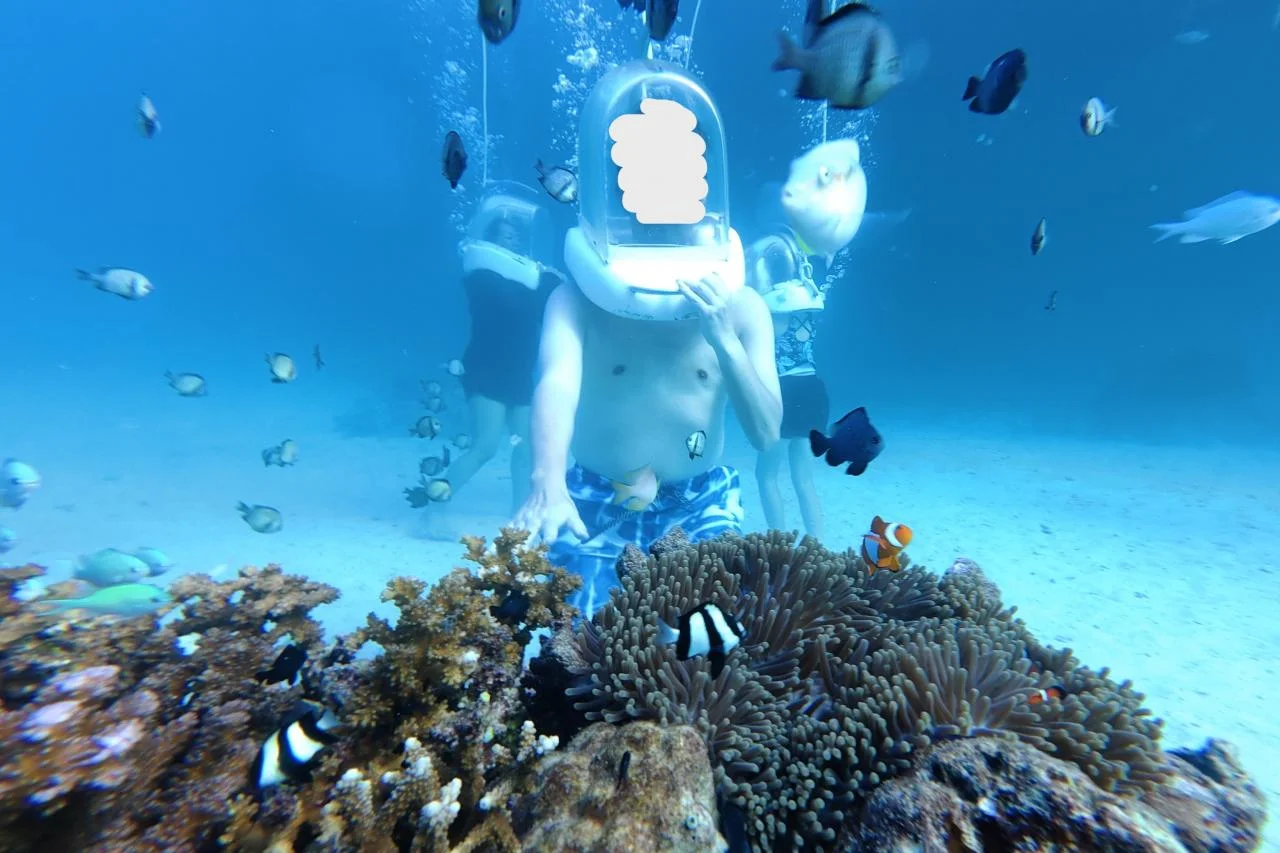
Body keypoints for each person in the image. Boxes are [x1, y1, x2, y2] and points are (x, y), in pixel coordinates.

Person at [510, 60, 783, 616]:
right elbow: (556, 384)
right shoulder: (574, 301)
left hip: (700, 495)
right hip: (590, 491)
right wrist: (548, 484)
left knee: (707, 647)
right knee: (577, 646)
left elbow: (767, 432)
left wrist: (724, 341)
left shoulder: (746, 307)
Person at [435, 183, 561, 523]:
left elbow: (541, 307)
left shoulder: (527, 280)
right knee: (485, 446)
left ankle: (518, 519)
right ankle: (432, 509)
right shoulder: (480, 276)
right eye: (506, 238)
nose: (513, 243)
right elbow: (519, 302)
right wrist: (542, 283)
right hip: (486, 369)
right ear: (491, 241)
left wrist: (543, 282)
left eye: (516, 238)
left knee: (526, 450)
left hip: (519, 373)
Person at [745, 226, 831, 539]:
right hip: (813, 391)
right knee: (804, 478)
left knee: (766, 475)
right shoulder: (808, 295)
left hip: (781, 393)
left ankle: (778, 547)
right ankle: (816, 544)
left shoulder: (766, 306)